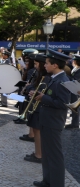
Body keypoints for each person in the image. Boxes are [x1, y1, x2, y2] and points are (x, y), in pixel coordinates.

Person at [30, 49, 74, 187]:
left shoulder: (62, 81)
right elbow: (51, 97)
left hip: (53, 122)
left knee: (55, 155)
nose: (45, 65)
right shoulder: (54, 78)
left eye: (47, 63)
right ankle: (47, 180)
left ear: (55, 65)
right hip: (47, 120)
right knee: (47, 153)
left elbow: (62, 104)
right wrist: (39, 95)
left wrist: (44, 98)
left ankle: (56, 183)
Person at [22, 54, 49, 164]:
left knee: (38, 132)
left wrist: (29, 87)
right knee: (36, 130)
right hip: (36, 106)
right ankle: (38, 153)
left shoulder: (45, 77)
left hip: (39, 108)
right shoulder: (40, 75)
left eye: (37, 64)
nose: (35, 66)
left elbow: (40, 90)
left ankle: (39, 155)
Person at [65, 54, 80, 129]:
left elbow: (76, 80)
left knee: (75, 108)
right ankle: (74, 122)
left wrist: (67, 77)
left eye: (74, 60)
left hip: (77, 90)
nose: (73, 61)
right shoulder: (76, 68)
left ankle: (75, 124)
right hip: (74, 90)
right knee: (73, 107)